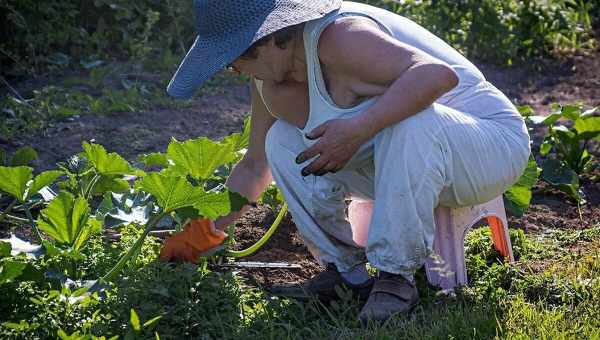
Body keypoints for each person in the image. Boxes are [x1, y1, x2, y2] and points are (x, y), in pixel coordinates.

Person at [159, 0, 531, 323]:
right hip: (407, 159)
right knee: (281, 141)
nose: (233, 70)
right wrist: (203, 231)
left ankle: (396, 278)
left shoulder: (340, 35)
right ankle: (346, 274)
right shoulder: (269, 75)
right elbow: (257, 164)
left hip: (487, 146)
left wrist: (357, 130)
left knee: (411, 120)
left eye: (234, 58)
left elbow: (437, 75)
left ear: (271, 38)